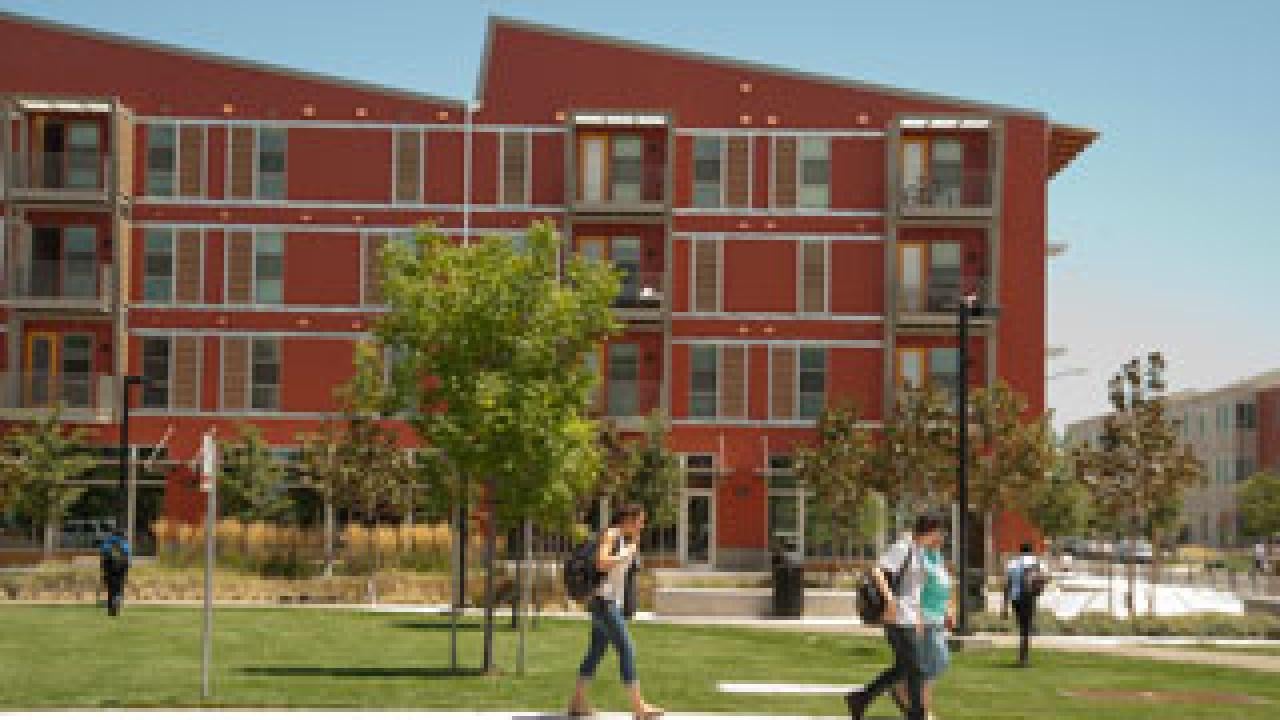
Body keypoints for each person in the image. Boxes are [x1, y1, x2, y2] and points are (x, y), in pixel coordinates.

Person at [846, 514, 946, 720]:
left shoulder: (919, 550)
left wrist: (918, 617)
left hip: (909, 617)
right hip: (897, 617)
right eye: (938, 532)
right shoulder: (904, 547)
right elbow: (877, 571)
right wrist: (890, 600)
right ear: (931, 530)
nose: (939, 536)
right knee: (916, 668)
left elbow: (914, 589)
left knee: (904, 668)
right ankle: (917, 714)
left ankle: (860, 698)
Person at [568, 503, 663, 719]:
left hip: (606, 602)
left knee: (596, 651)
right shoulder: (612, 534)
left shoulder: (624, 539)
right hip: (604, 603)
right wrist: (626, 553)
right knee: (627, 649)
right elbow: (601, 563)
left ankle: (577, 703)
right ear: (628, 519)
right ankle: (639, 707)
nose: (642, 525)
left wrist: (632, 545)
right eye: (640, 521)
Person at [892, 542, 954, 720]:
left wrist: (948, 608)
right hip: (924, 619)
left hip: (937, 619)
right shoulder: (919, 556)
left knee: (932, 666)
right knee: (932, 665)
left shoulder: (938, 557)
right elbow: (913, 590)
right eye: (938, 534)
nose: (941, 539)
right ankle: (921, 709)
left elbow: (944, 585)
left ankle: (908, 696)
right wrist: (916, 616)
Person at [1004, 542, 1043, 667]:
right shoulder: (1035, 562)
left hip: (1015, 598)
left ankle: (1022, 657)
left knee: (1022, 627)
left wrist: (1004, 606)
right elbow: (1041, 579)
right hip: (1028, 597)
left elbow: (1008, 584)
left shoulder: (1013, 563)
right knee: (1026, 628)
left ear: (1020, 551)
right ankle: (1023, 658)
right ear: (1031, 551)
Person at [100, 531, 131, 617]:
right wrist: (125, 572)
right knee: (119, 589)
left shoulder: (107, 544)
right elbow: (127, 561)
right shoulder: (124, 544)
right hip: (120, 570)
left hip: (109, 570)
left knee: (110, 590)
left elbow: (103, 559)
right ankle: (117, 605)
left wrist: (104, 572)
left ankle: (111, 608)